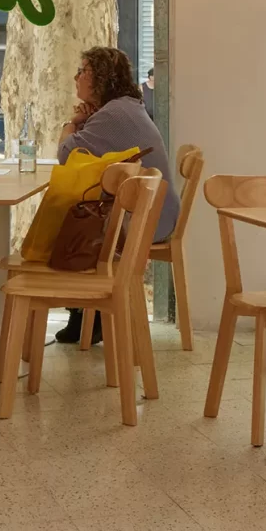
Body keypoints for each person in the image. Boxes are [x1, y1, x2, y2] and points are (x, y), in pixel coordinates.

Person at [53, 47, 181, 344]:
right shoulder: (123, 108)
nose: (76, 77)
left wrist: (71, 124)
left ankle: (87, 311)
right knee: (77, 213)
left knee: (70, 222)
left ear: (101, 77)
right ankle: (86, 312)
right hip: (154, 212)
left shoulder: (113, 115)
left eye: (83, 71)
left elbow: (66, 154)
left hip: (147, 221)